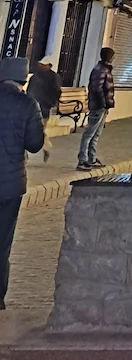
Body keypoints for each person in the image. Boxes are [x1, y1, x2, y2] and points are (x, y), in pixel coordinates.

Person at [0, 56, 45, 309]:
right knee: (2, 244)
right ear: (23, 78)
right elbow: (34, 144)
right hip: (9, 186)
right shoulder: (28, 104)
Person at [77, 47, 115, 172]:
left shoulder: (103, 69)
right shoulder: (101, 70)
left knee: (96, 134)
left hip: (103, 106)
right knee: (90, 133)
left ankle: (91, 159)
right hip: (99, 106)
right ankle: (82, 160)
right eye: (112, 56)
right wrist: (103, 103)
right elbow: (97, 88)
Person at [27, 57, 62, 162]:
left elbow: (29, 92)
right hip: (42, 108)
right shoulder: (52, 77)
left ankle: (45, 146)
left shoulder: (37, 77)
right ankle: (45, 146)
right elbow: (57, 92)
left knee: (32, 131)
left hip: (37, 108)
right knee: (38, 130)